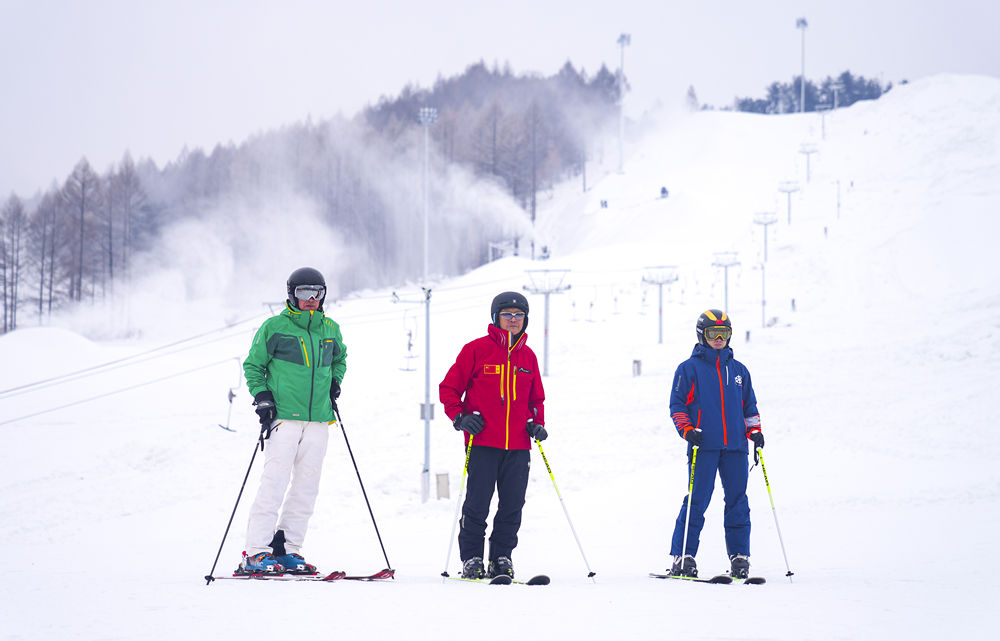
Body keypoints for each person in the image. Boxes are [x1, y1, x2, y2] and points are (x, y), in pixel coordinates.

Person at [237, 266, 347, 575]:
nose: (311, 299)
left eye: (317, 293)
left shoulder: (330, 329)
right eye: (303, 293)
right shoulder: (274, 327)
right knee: (274, 482)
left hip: (318, 419)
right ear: (291, 295)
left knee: (307, 486)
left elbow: (340, 359)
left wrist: (335, 383)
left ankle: (287, 549)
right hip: (283, 417)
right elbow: (253, 365)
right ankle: (257, 552)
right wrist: (262, 397)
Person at [439, 291, 547, 580]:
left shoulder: (529, 357)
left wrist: (536, 423)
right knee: (477, 503)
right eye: (507, 314)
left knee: (512, 504)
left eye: (519, 315)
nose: (513, 320)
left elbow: (536, 400)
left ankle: (502, 558)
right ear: (496, 317)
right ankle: (472, 558)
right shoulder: (476, 350)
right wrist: (460, 418)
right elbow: (448, 389)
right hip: (483, 442)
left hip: (519, 445)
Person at [667, 309, 764, 579]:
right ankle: (682, 556)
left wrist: (754, 431)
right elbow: (678, 405)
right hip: (704, 444)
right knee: (697, 499)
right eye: (713, 333)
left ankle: (739, 556)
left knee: (737, 501)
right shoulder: (688, 369)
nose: (719, 339)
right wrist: (687, 430)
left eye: (724, 333)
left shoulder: (739, 371)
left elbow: (749, 406)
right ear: (702, 335)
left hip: (735, 446)